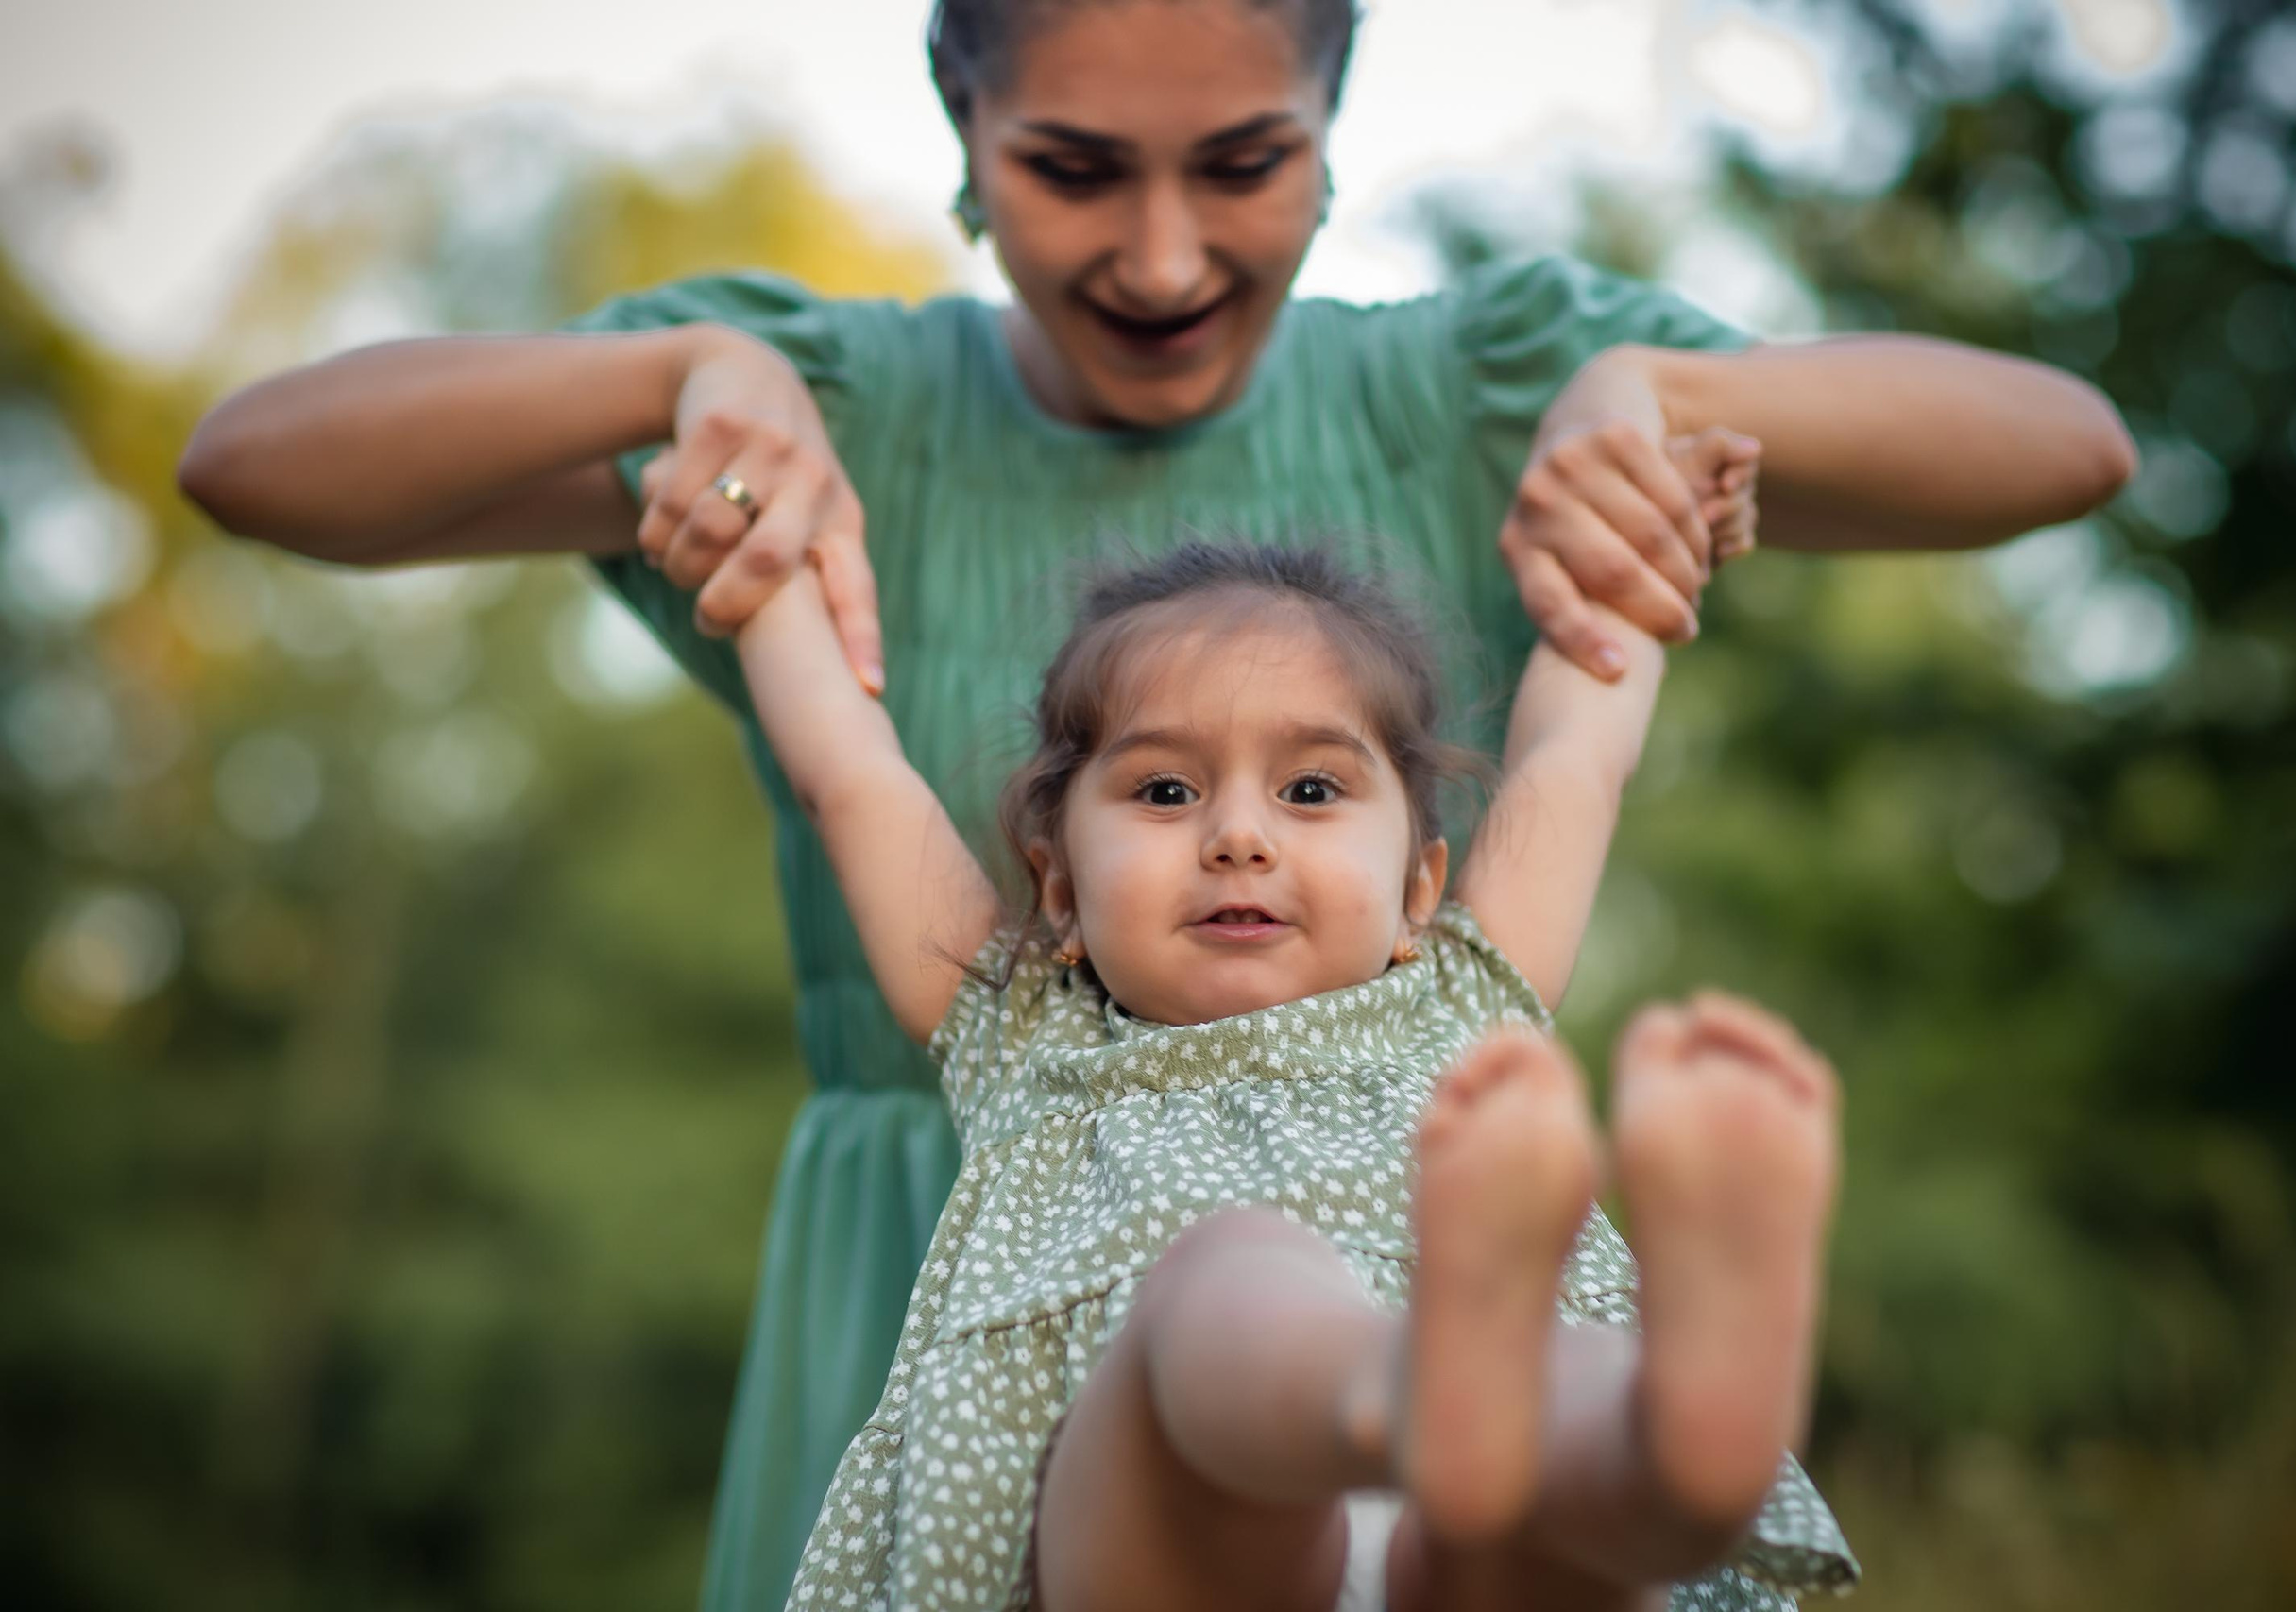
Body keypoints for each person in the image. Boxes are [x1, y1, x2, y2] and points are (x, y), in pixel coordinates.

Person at [176, 2, 2135, 1604]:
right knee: (1217, 1299)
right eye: (1072, 168)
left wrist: (1666, 409)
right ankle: (1440, 1382)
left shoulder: (1462, 968)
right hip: (1189, 1458)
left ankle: (1665, 1428)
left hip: (1470, 1503)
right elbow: (282, 479)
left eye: (1307, 782)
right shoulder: (1016, 1005)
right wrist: (699, 382)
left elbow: (1629, 690)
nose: (1164, 253)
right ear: (962, 124)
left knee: (1511, 1557)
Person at [734, 512, 1850, 1612]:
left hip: (1467, 1537)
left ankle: (1678, 1463)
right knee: (1229, 1273)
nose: (1237, 836)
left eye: (1310, 789)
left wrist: (1628, 532)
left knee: (1555, 1461)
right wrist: (765, 561)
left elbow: (1577, 759)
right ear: (1059, 887)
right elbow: (850, 775)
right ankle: (1422, 1395)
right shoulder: (1026, 1029)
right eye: (1164, 791)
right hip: (1195, 1548)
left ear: (1419, 888)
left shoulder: (1460, 1005)